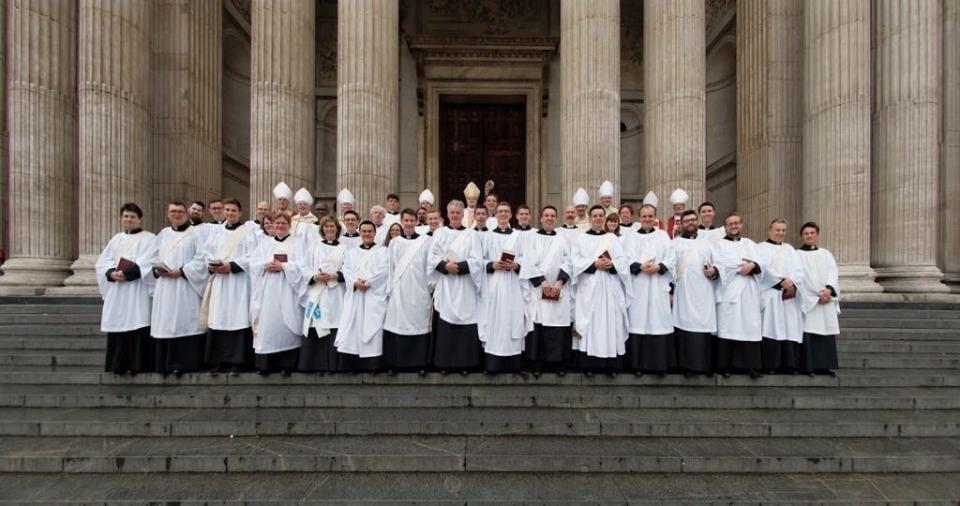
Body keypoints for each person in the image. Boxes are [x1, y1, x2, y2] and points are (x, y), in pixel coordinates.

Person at [96, 203, 158, 376]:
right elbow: (103, 261)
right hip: (118, 290)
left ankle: (138, 364)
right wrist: (110, 272)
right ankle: (118, 364)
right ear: (121, 218)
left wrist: (128, 272)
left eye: (132, 216)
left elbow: (150, 261)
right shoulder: (116, 239)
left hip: (136, 288)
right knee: (118, 323)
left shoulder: (149, 239)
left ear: (140, 219)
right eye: (126, 216)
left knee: (137, 322)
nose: (129, 219)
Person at [150, 201, 209, 376]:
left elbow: (202, 259)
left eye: (180, 211)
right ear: (167, 214)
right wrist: (156, 269)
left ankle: (183, 364)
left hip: (185, 285)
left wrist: (182, 271)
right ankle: (164, 365)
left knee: (184, 321)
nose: (177, 214)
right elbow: (152, 257)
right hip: (165, 286)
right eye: (173, 211)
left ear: (187, 214)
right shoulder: (163, 234)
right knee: (166, 322)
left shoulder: (196, 234)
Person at [199, 199, 257, 375]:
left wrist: (231, 265)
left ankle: (237, 362)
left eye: (233, 210)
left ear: (240, 213)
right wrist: (213, 264)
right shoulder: (216, 233)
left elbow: (253, 256)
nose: (230, 213)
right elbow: (206, 253)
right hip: (220, 282)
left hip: (238, 282)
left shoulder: (248, 233)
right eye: (227, 210)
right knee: (219, 318)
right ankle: (218, 361)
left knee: (237, 319)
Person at [571, 205, 631, 374]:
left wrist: (613, 265)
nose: (598, 218)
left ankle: (611, 365)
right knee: (590, 324)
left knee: (610, 323)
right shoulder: (580, 239)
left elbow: (623, 261)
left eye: (600, 216)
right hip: (589, 288)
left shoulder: (612, 239)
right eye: (595, 215)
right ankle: (589, 365)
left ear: (604, 218)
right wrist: (593, 264)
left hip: (610, 287)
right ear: (590, 218)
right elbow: (575, 262)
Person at [429, 200, 484, 374]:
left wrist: (458, 268)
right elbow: (431, 258)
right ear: (447, 214)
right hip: (446, 285)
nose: (454, 215)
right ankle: (444, 364)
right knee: (445, 323)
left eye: (458, 213)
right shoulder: (439, 233)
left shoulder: (472, 235)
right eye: (452, 212)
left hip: (464, 285)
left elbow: (477, 261)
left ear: (463, 214)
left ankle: (466, 364)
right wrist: (445, 266)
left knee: (466, 323)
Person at [248, 212, 305, 375]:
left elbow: (302, 267)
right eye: (277, 223)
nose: (280, 226)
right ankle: (266, 366)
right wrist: (264, 265)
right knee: (268, 326)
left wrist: (284, 267)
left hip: (288, 290)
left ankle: (287, 365)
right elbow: (253, 263)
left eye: (283, 223)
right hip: (268, 292)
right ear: (272, 225)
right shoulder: (265, 244)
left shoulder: (297, 244)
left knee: (286, 326)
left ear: (289, 225)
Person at [623, 204, 676, 375]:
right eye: (644, 216)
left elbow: (671, 257)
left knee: (657, 322)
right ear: (639, 218)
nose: (647, 219)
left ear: (655, 217)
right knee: (639, 323)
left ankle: (659, 366)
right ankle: (638, 366)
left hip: (657, 286)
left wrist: (659, 267)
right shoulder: (630, 237)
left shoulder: (663, 236)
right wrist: (640, 266)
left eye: (650, 216)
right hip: (639, 287)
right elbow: (624, 259)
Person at [519, 205, 572, 376]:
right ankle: (537, 363)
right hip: (539, 289)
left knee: (558, 325)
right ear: (541, 218)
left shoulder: (563, 239)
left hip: (559, 288)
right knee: (539, 325)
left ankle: (559, 364)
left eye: (552, 215)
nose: (549, 218)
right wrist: (541, 282)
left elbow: (569, 261)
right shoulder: (532, 238)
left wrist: (559, 282)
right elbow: (528, 262)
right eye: (546, 215)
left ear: (556, 219)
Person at [712, 213, 765, 378]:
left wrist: (753, 265)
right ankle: (725, 366)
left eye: (736, 223)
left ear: (741, 225)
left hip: (749, 292)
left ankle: (751, 366)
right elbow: (720, 264)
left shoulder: (750, 244)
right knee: (729, 326)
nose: (734, 226)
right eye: (730, 224)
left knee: (749, 326)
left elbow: (762, 263)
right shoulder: (718, 245)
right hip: (729, 291)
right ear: (725, 227)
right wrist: (743, 265)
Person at [479, 202, 528, 374]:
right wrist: (492, 264)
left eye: (506, 211)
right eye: (500, 211)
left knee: (513, 318)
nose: (502, 214)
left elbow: (526, 259)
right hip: (494, 285)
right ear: (496, 214)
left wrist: (517, 265)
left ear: (511, 214)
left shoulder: (519, 236)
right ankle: (493, 364)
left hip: (513, 285)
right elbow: (480, 260)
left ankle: (513, 364)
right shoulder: (487, 236)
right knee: (494, 321)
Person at [383, 209, 433, 374]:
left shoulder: (426, 241)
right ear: (402, 221)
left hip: (420, 290)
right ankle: (396, 363)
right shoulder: (394, 242)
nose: (409, 223)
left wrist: (429, 288)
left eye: (412, 220)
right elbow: (390, 268)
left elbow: (429, 267)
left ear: (416, 222)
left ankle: (420, 364)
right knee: (398, 324)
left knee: (419, 324)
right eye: (406, 220)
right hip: (399, 291)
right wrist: (390, 290)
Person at [336, 221, 390, 372]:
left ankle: (371, 364)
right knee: (353, 328)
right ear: (360, 233)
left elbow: (384, 271)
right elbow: (345, 270)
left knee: (372, 327)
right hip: (356, 296)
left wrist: (369, 282)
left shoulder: (382, 251)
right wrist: (354, 282)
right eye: (364, 231)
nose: (367, 234)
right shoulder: (351, 252)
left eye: (369, 231)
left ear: (375, 233)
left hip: (373, 296)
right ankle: (352, 363)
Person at [671, 210, 719, 375]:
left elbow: (718, 265)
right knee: (684, 325)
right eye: (686, 221)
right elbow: (670, 268)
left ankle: (704, 366)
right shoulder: (675, 244)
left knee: (703, 325)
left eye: (693, 220)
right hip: (683, 291)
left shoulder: (707, 243)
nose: (690, 223)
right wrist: (670, 291)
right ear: (682, 224)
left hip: (703, 291)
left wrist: (713, 271)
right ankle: (686, 366)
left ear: (697, 221)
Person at [756, 219, 805, 374]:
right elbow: (761, 270)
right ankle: (771, 365)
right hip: (770, 294)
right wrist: (779, 282)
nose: (780, 233)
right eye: (777, 230)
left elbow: (799, 270)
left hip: (788, 297)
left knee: (789, 328)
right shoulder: (760, 248)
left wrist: (792, 282)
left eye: (783, 230)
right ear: (770, 230)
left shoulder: (790, 249)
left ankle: (789, 365)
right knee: (771, 328)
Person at [300, 216, 347, 374]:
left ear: (337, 229)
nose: (329, 229)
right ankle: (317, 365)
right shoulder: (314, 247)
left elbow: (349, 269)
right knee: (318, 325)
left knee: (334, 324)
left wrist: (336, 276)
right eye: (326, 227)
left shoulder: (344, 248)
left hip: (336, 294)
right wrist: (314, 277)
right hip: (318, 292)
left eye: (332, 227)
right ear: (322, 229)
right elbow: (304, 267)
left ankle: (333, 365)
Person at [795, 221, 840, 376]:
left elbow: (833, 272)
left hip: (825, 298)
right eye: (806, 233)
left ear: (817, 235)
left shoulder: (826, 254)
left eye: (812, 233)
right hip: (808, 299)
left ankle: (824, 366)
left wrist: (828, 290)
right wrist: (815, 294)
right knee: (809, 331)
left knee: (825, 331)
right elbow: (799, 277)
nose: (809, 236)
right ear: (802, 236)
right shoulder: (797, 255)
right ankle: (808, 367)